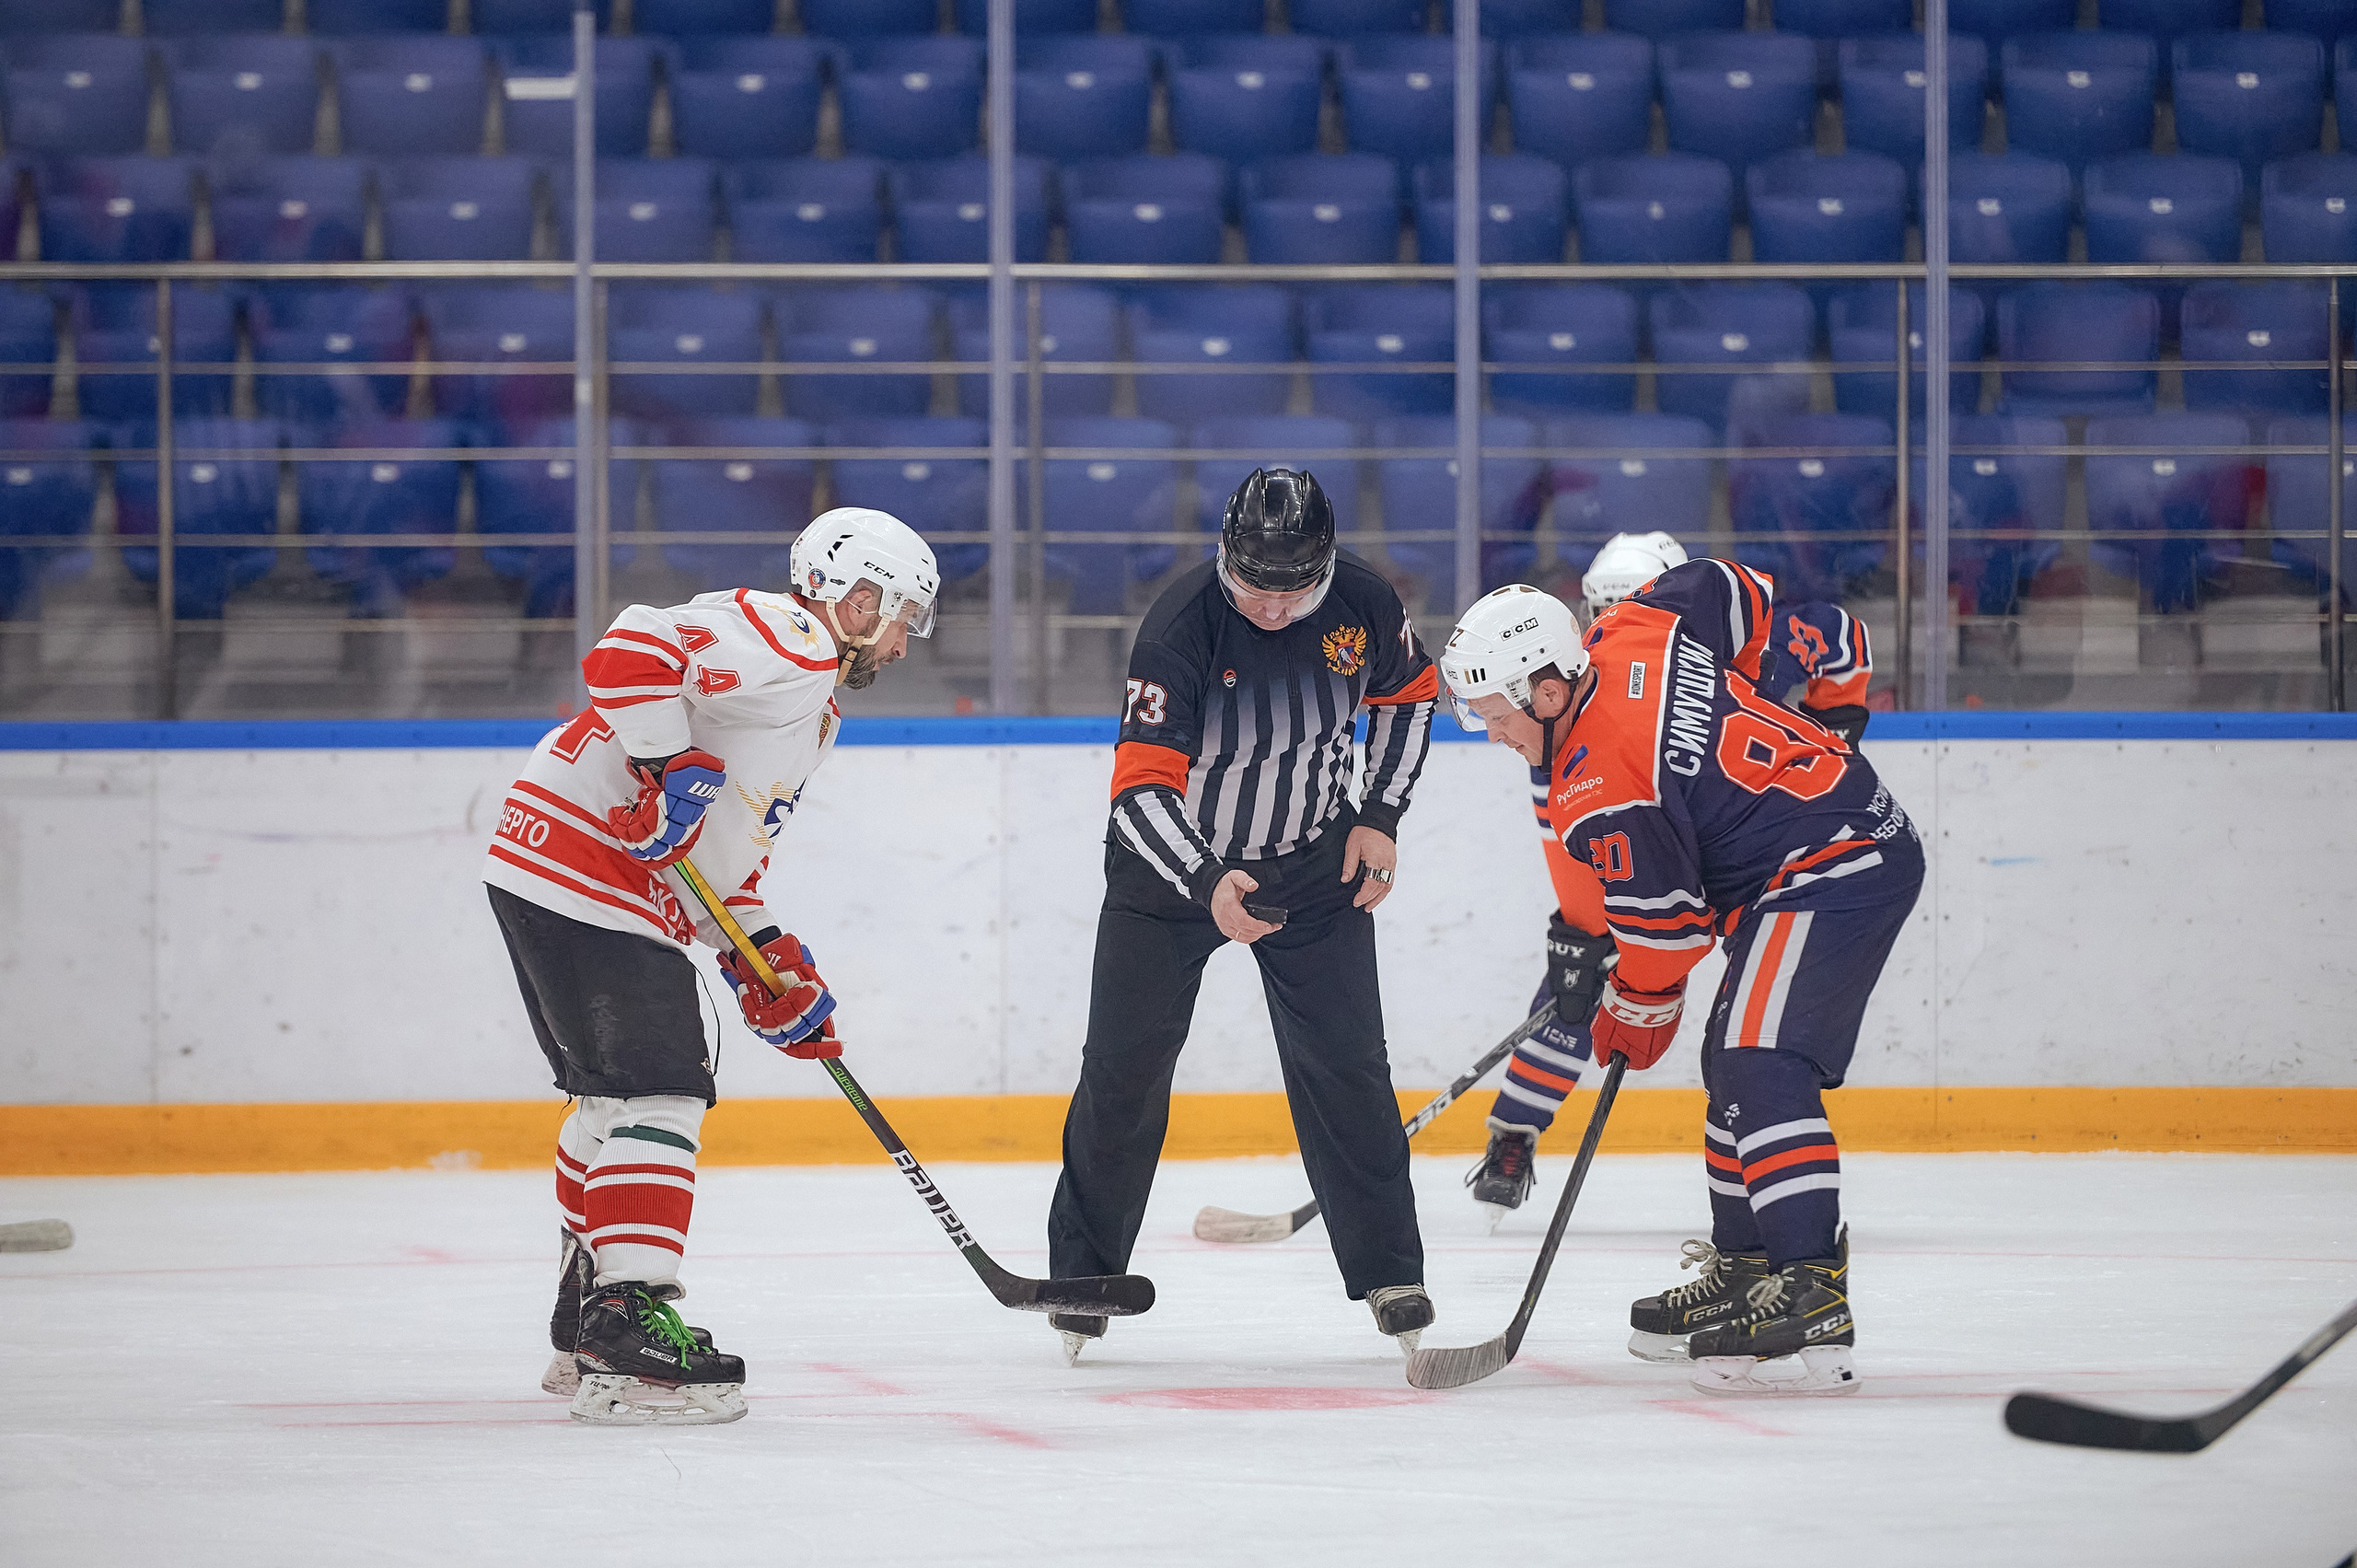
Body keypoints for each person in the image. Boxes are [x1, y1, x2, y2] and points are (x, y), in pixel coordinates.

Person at [482, 508, 939, 1425]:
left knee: (614, 1099)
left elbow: (719, 864)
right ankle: (629, 1317)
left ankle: (588, 1304)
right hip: (585, 871)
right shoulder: (792, 636)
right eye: (903, 616)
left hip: (560, 866)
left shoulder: (812, 714)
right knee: (664, 1089)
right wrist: (666, 765)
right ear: (860, 597)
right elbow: (630, 645)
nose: (902, 642)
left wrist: (762, 956)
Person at [1438, 558, 1922, 1396]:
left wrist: (1638, 1006)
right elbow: (1735, 587)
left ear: (1547, 692)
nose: (1491, 732)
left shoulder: (1599, 779)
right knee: (1733, 1060)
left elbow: (1669, 931)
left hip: (1833, 864)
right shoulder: (1631, 629)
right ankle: (1744, 1267)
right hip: (1819, 850)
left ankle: (1810, 1285)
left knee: (1760, 1059)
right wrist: (1741, 696)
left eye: (1493, 714)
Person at [1048, 469, 1441, 1365]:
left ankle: (1390, 1271)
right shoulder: (1180, 626)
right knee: (1123, 1070)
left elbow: (1411, 698)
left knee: (1347, 1067)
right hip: (1170, 875)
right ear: (1226, 558)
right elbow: (1136, 794)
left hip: (1312, 862)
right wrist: (1204, 878)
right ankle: (1081, 1276)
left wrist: (1378, 813)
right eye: (1252, 582)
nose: (1269, 604)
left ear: (1325, 564)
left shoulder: (1368, 603)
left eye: (1290, 586)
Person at [1462, 532, 1878, 1226]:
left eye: (1625, 605)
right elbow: (1578, 839)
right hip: (1665, 876)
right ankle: (1514, 1134)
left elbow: (1841, 638)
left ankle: (1774, 1239)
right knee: (1579, 994)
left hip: (1765, 865)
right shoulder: (1568, 721)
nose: (1607, 623)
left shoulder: (1690, 662)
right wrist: (1585, 932)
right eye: (1601, 608)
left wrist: (1834, 726)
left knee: (1749, 1051)